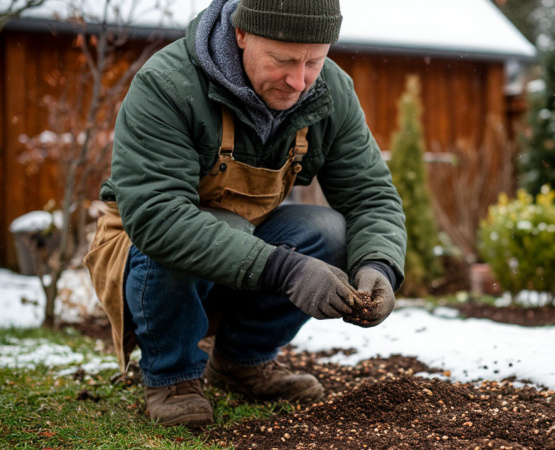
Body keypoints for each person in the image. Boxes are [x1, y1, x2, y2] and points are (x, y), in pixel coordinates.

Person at [84, 0, 406, 428]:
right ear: (241, 34)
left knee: (330, 232)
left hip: (245, 244)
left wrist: (379, 264)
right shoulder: (167, 84)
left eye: (314, 60)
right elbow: (157, 217)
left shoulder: (329, 91)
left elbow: (370, 195)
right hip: (143, 249)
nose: (298, 81)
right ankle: (172, 375)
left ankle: (242, 361)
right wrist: (285, 270)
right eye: (283, 60)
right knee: (213, 227)